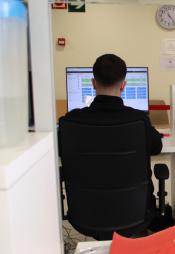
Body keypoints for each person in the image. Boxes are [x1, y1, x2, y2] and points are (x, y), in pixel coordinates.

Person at [62, 54, 166, 229]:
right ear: (124, 86)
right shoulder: (138, 120)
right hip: (135, 213)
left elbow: (61, 150)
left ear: (93, 83)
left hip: (86, 213)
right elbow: (157, 146)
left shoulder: (71, 121)